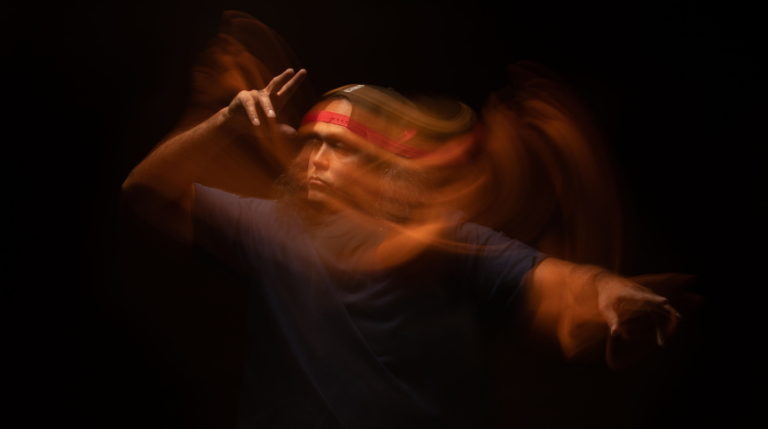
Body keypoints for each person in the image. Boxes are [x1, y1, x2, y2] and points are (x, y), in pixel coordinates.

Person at [121, 66, 684, 427]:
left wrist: (612, 294)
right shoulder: (272, 227)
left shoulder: (444, 241)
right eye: (311, 143)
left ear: (382, 164)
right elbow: (144, 190)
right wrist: (225, 120)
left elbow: (554, 282)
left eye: (339, 146)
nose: (315, 159)